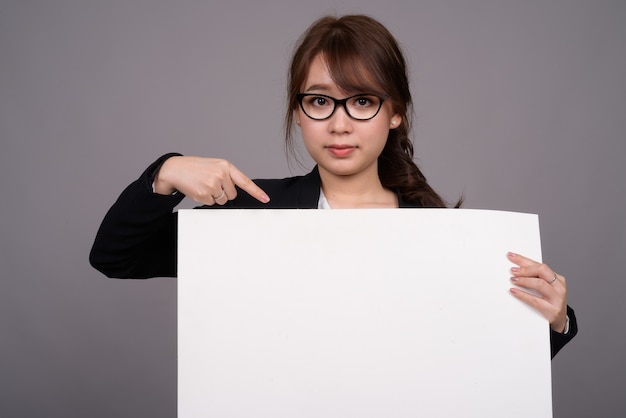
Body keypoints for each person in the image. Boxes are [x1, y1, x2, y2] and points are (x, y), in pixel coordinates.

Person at [89, 14, 576, 357]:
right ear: (298, 113)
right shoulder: (246, 215)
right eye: (320, 101)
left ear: (394, 112)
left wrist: (556, 321)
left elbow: (479, 367)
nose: (339, 124)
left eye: (361, 101)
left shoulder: (441, 233)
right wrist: (165, 173)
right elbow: (115, 257)